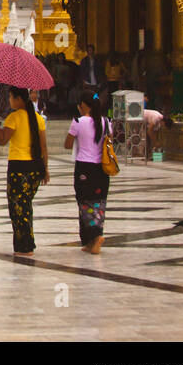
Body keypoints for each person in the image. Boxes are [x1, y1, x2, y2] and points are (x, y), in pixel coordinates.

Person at [0, 85, 50, 256]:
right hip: (34, 167)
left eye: (11, 97)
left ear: (18, 99)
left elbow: (3, 139)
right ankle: (24, 243)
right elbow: (43, 147)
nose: (10, 101)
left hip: (18, 167)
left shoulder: (14, 117)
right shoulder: (37, 118)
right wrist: (45, 169)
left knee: (18, 208)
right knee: (25, 205)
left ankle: (25, 245)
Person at [66, 92, 112, 255]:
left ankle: (95, 236)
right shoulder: (106, 122)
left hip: (84, 168)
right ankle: (91, 240)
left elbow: (67, 144)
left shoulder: (78, 121)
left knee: (84, 202)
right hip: (101, 169)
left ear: (84, 105)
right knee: (98, 203)